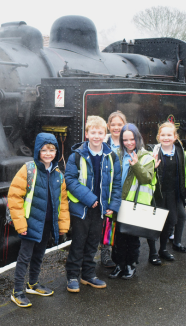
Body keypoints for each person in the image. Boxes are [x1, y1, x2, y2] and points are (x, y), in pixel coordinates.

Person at [8, 132, 70, 308]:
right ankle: (17, 291)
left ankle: (33, 284)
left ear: (56, 152)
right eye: (44, 150)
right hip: (30, 222)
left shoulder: (58, 174)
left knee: (39, 255)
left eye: (52, 150)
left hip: (47, 223)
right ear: (38, 152)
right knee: (24, 257)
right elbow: (14, 197)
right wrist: (20, 224)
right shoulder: (28, 169)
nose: (48, 154)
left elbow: (62, 202)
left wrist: (63, 225)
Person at [65, 116, 122, 292]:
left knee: (92, 243)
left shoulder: (111, 156)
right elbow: (70, 180)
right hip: (81, 208)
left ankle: (88, 275)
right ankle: (72, 276)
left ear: (105, 134)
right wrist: (90, 199)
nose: (96, 136)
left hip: (101, 209)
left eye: (100, 132)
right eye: (93, 132)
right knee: (78, 242)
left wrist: (113, 205)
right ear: (87, 133)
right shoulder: (76, 156)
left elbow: (117, 183)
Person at [110, 123, 155, 279]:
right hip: (119, 202)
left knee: (132, 237)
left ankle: (130, 265)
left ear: (138, 138)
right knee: (118, 237)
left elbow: (146, 179)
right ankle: (119, 264)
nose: (129, 143)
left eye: (132, 139)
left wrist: (136, 164)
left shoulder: (146, 157)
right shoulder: (117, 154)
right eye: (125, 140)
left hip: (134, 204)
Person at [147, 122, 186, 265]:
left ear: (175, 137)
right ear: (158, 137)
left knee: (169, 223)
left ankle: (162, 250)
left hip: (173, 194)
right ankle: (152, 253)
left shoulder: (179, 152)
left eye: (169, 135)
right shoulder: (153, 152)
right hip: (158, 195)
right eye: (163, 135)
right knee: (154, 224)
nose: (166, 137)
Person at [101, 111, 127, 268]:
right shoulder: (104, 144)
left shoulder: (128, 143)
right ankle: (105, 253)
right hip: (108, 189)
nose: (116, 127)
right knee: (108, 223)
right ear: (108, 126)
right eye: (113, 124)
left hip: (124, 188)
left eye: (120, 124)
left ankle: (120, 254)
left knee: (121, 223)